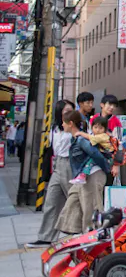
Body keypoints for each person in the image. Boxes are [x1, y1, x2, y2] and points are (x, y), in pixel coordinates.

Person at [56, 110, 120, 235]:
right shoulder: (77, 139)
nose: (62, 125)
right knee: (73, 202)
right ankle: (77, 233)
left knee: (91, 208)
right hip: (83, 176)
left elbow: (97, 155)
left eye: (63, 122)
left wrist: (107, 168)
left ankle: (95, 237)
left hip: (93, 175)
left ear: (70, 124)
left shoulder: (81, 139)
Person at [25, 100, 76, 248]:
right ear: (59, 112)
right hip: (58, 165)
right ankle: (46, 236)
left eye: (71, 111)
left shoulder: (76, 127)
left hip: (70, 164)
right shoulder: (54, 128)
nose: (68, 114)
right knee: (51, 201)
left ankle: (85, 231)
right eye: (66, 111)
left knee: (75, 200)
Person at [69, 117, 113, 184]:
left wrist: (81, 133)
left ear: (105, 129)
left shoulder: (103, 136)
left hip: (107, 156)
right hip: (103, 155)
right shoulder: (96, 135)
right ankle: (81, 175)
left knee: (89, 162)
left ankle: (83, 175)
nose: (98, 130)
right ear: (92, 127)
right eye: (95, 127)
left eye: (101, 128)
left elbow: (92, 138)